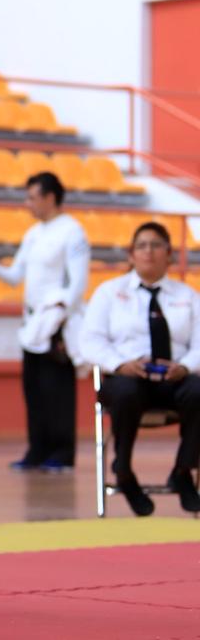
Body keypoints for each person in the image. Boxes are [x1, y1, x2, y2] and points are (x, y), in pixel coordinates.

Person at [0, 172, 90, 472]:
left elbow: (77, 284)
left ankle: (62, 452)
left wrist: (59, 317)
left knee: (56, 390)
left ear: (50, 197)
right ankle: (37, 449)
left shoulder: (72, 232)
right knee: (33, 389)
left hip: (56, 324)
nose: (28, 204)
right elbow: (15, 276)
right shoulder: (34, 233)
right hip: (32, 323)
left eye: (32, 197)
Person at [80, 221, 200, 516]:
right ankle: (123, 471)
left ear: (169, 254)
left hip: (175, 379)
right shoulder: (109, 293)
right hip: (128, 378)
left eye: (156, 245)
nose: (149, 251)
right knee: (124, 393)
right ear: (131, 254)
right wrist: (120, 364)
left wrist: (184, 367)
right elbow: (90, 340)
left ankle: (184, 472)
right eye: (142, 245)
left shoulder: (188, 296)